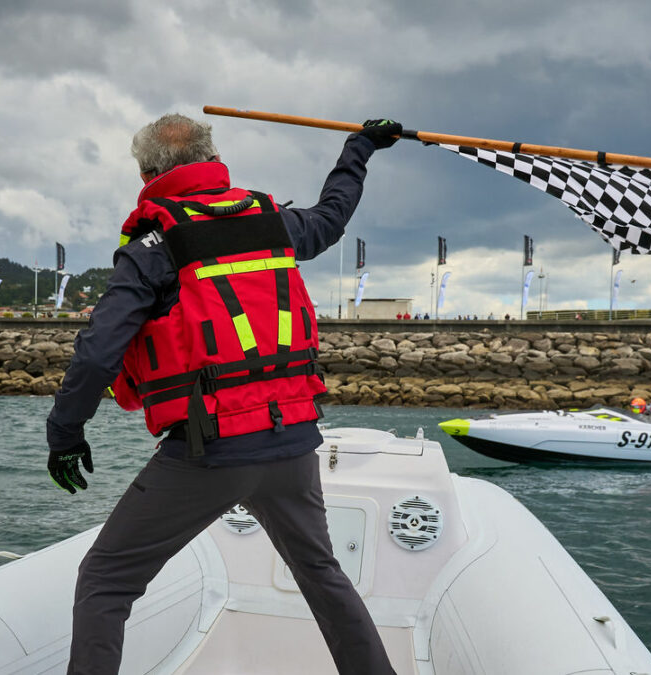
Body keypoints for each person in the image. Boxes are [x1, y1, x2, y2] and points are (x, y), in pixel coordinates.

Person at [45, 113, 401, 675]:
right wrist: (360, 149)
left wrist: (64, 435)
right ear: (211, 158)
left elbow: (97, 351)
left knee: (105, 580)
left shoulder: (154, 245)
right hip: (292, 445)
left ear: (148, 173)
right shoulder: (271, 221)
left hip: (209, 452)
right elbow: (331, 218)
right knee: (322, 574)